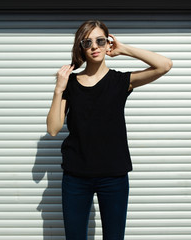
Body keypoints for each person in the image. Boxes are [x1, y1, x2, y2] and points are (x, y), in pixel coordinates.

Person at [46, 20, 172, 240]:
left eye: (100, 41)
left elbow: (165, 65)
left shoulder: (120, 81)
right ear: (81, 47)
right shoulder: (71, 84)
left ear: (107, 44)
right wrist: (59, 89)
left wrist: (124, 49)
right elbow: (54, 129)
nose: (94, 46)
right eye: (88, 42)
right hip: (76, 178)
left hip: (113, 177)